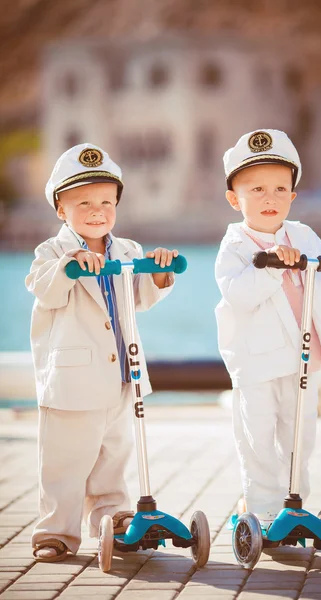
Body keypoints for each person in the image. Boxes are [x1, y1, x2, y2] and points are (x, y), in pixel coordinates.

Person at [215, 129, 321, 531]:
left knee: (300, 438)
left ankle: (295, 506)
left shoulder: (303, 236)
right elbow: (238, 294)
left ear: (292, 196)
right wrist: (272, 264)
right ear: (235, 199)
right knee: (257, 437)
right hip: (255, 364)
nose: (269, 198)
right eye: (256, 189)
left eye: (279, 188)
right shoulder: (235, 245)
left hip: (300, 362)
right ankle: (262, 510)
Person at [26, 143, 179, 561]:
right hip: (73, 381)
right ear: (60, 209)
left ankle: (113, 519)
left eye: (106, 202)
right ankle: (55, 532)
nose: (97, 210)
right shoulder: (52, 254)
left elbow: (141, 296)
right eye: (83, 202)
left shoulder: (127, 250)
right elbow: (44, 288)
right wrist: (70, 265)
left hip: (122, 377)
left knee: (113, 457)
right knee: (66, 462)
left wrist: (160, 269)